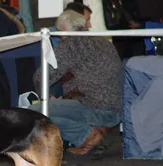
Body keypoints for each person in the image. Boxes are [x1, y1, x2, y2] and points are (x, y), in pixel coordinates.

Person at [31, 10, 122, 156]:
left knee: (34, 112)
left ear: (64, 29)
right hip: (116, 106)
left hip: (97, 108)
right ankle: (94, 130)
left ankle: (86, 135)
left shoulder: (70, 44)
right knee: (57, 105)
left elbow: (41, 77)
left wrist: (50, 96)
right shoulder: (102, 41)